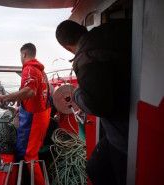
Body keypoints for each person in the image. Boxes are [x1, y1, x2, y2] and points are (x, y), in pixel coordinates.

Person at [55, 19, 132, 185]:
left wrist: (76, 95)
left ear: (66, 48)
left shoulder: (86, 58)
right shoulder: (112, 30)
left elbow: (97, 105)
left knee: (108, 173)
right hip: (120, 128)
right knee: (96, 167)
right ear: (83, 28)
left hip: (125, 138)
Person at [0, 43, 52, 185]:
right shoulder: (41, 71)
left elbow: (30, 91)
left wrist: (3, 97)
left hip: (33, 119)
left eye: (20, 56)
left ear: (23, 54)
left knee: (28, 155)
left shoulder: (29, 69)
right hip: (43, 116)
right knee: (33, 151)